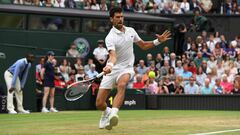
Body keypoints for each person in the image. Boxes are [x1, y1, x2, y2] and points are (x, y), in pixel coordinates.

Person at [96, 7, 171, 130]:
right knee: (99, 103)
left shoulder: (131, 31)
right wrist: (109, 65)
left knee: (122, 85)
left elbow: (143, 45)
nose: (120, 19)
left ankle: (113, 115)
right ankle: (106, 112)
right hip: (113, 68)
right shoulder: (110, 37)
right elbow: (113, 56)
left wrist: (158, 41)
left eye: (121, 16)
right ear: (111, 19)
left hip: (127, 68)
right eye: (117, 17)